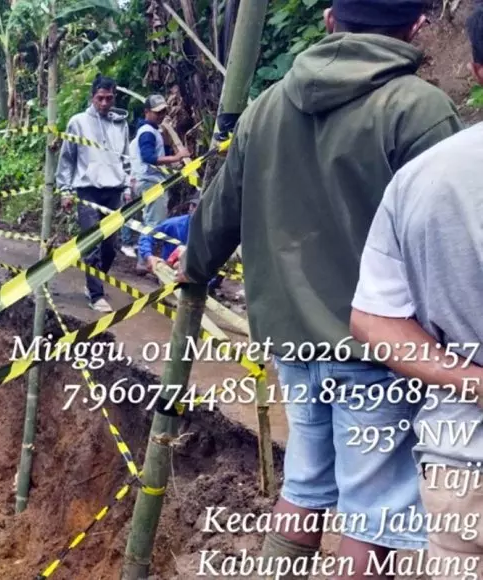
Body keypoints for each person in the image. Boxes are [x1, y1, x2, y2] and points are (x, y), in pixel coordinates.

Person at [177, 0, 463, 577]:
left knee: (306, 486)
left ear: (331, 21)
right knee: (375, 515)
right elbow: (451, 230)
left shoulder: (266, 107)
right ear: (415, 28)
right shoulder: (417, 108)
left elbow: (219, 210)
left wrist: (196, 265)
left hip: (293, 345)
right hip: (380, 349)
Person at [350, 7, 483, 576]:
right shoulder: (420, 112)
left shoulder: (426, 177)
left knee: (346, 500)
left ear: (477, 68)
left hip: (463, 454)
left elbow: (374, 318)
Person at [56, 74, 132, 313]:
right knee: (93, 244)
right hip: (87, 190)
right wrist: (65, 190)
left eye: (109, 98)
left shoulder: (120, 124)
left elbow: (126, 158)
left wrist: (128, 186)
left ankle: (94, 281)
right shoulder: (77, 122)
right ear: (92, 97)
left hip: (114, 190)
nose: (104, 103)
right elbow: (67, 159)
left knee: (111, 246)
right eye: (100, 98)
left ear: (114, 97)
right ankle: (96, 294)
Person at [121, 94, 188, 261]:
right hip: (150, 182)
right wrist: (177, 157)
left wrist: (172, 163)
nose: (161, 115)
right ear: (147, 112)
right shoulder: (147, 132)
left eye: (163, 111)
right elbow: (149, 158)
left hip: (142, 180)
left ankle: (142, 256)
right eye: (157, 112)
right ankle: (145, 261)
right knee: (153, 223)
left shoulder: (150, 132)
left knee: (147, 221)